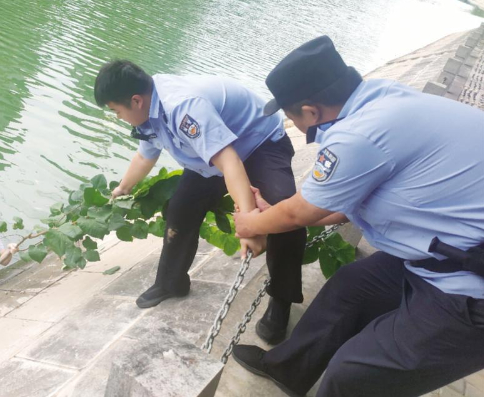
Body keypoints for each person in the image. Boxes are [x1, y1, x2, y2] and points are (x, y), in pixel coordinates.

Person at [231, 36, 484, 397]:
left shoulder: (358, 134)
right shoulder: (380, 98)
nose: (296, 126)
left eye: (291, 118)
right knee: (350, 288)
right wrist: (274, 215)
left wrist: (251, 223)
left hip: (468, 290)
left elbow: (299, 211)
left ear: (311, 112)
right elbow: (333, 206)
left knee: (353, 374)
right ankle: (288, 370)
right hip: (441, 255)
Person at [94, 60, 307, 344]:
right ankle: (170, 282)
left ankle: (281, 300)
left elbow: (229, 162)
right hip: (215, 156)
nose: (118, 117)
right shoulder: (147, 110)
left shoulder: (182, 107)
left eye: (116, 111)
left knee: (283, 214)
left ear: (135, 100)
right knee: (180, 209)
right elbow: (145, 155)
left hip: (258, 143)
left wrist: (251, 225)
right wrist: (122, 188)